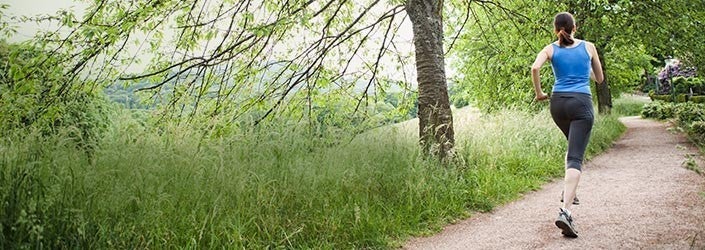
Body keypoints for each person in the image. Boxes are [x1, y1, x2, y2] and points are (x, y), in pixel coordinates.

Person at [530, 12, 604, 238]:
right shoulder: (589, 47)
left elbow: (535, 68)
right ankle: (566, 212)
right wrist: (584, 70)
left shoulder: (550, 48)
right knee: (575, 158)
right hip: (581, 104)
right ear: (575, 27)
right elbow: (599, 79)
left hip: (558, 104)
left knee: (572, 148)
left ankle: (568, 192)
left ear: (556, 30)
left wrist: (540, 93)